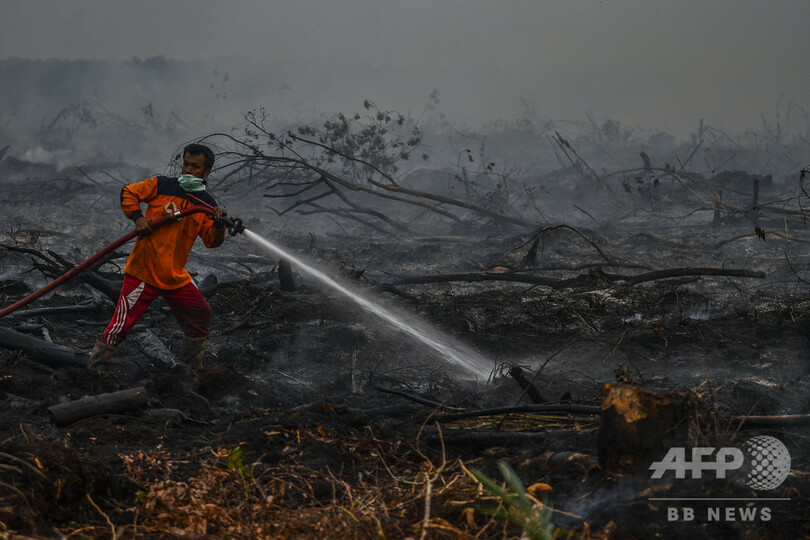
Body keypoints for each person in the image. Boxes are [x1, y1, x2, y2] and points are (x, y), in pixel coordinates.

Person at [87, 144, 228, 369]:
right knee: (120, 327)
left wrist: (219, 224)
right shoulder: (162, 185)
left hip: (174, 275)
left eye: (195, 166)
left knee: (201, 314)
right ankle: (92, 371)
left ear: (206, 172)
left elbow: (212, 241)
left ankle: (190, 371)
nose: (188, 170)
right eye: (185, 164)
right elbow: (129, 191)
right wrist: (138, 218)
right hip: (144, 271)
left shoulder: (206, 204)